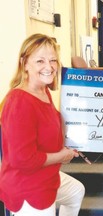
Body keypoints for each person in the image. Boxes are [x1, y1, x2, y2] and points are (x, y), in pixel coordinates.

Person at [0, 33, 85, 216]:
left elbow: (49, 129)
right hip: (27, 186)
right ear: (25, 63)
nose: (49, 67)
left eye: (53, 60)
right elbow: (22, 160)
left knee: (76, 192)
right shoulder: (19, 101)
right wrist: (62, 156)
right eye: (40, 61)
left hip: (46, 174)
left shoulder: (43, 91)